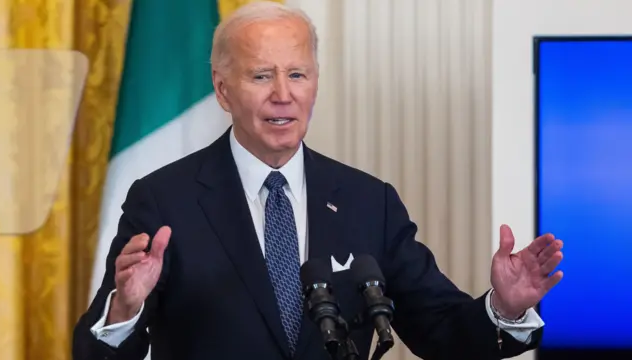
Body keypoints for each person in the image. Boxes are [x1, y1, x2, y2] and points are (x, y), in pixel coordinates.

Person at [72, 2, 564, 360]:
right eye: (262, 76)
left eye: (298, 75)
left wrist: (504, 307)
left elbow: (444, 334)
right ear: (223, 90)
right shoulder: (164, 200)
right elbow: (93, 353)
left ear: (316, 82)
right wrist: (125, 308)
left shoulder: (371, 202)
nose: (283, 95)